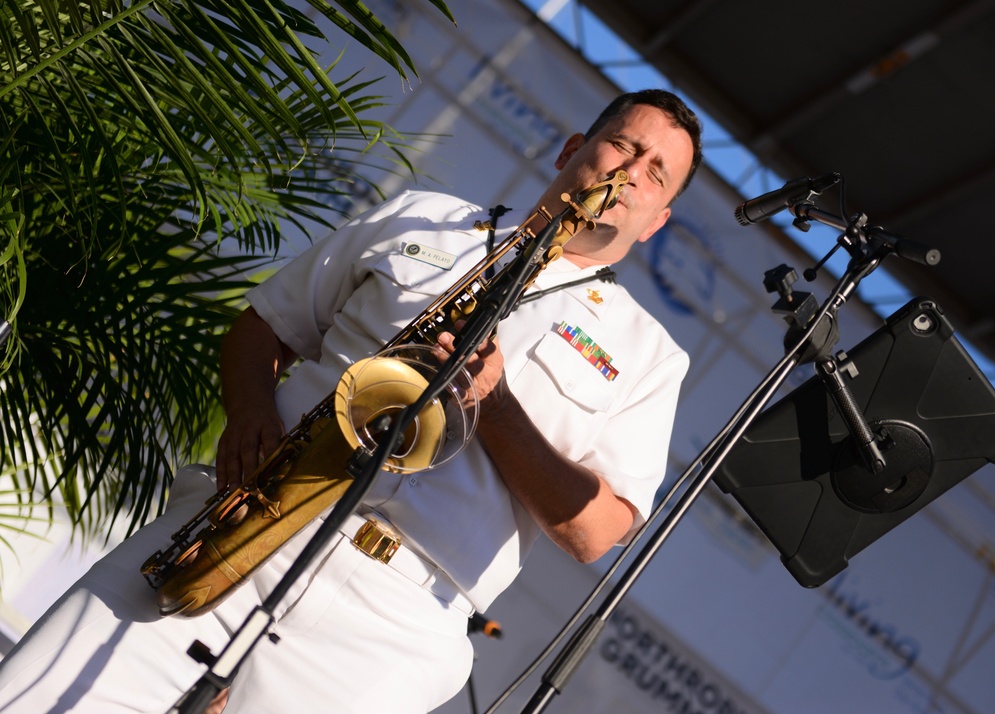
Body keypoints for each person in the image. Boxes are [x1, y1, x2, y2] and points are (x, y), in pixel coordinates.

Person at [0, 88, 702, 713]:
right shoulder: (426, 218)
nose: (628, 174)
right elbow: (263, 328)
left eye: (654, 172)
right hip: (247, 510)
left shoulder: (648, 356)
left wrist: (498, 403)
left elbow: (597, 533)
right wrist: (249, 416)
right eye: (622, 145)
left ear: (658, 220)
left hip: (393, 624)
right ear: (572, 148)